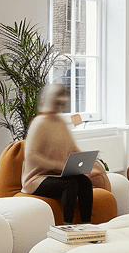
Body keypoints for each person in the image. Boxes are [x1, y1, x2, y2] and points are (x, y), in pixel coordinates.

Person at [22, 83, 106, 224]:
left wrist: (87, 159)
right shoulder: (39, 123)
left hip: (58, 175)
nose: (63, 101)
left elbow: (72, 148)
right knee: (70, 184)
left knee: (85, 182)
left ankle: (86, 225)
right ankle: (67, 227)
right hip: (37, 179)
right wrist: (58, 165)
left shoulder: (60, 122)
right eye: (58, 97)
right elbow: (31, 155)